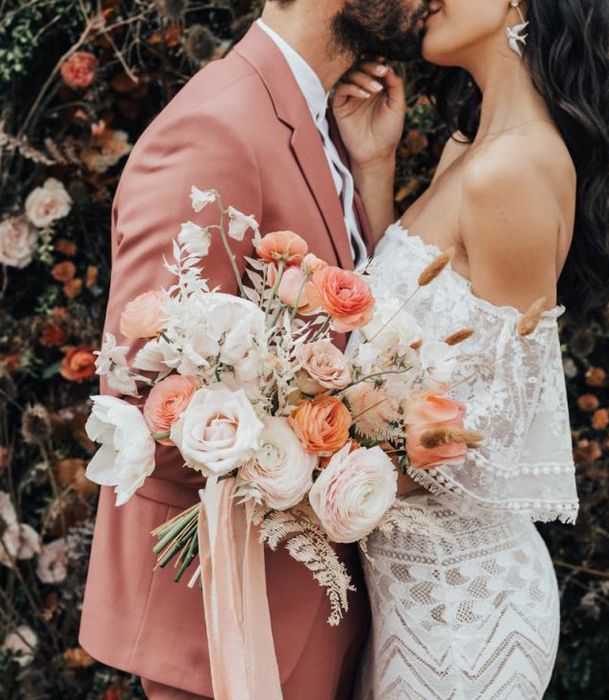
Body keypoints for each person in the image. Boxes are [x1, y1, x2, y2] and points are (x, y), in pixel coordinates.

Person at [78, 1, 430, 698]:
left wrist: (373, 173)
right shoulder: (216, 126)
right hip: (231, 629)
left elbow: (353, 326)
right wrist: (293, 441)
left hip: (312, 604)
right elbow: (145, 383)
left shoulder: (326, 120)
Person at [332, 0, 609, 696]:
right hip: (409, 594)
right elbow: (401, 323)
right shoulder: (470, 152)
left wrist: (311, 472)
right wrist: (375, 165)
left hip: (468, 605)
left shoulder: (513, 169)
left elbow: (486, 424)